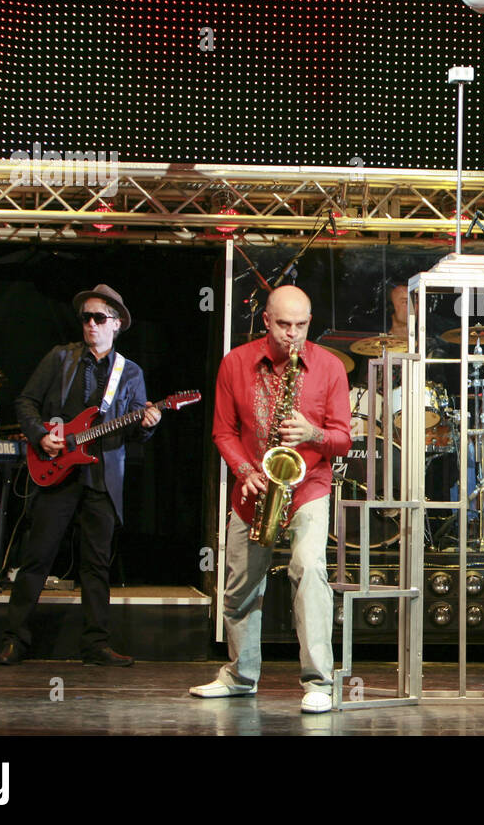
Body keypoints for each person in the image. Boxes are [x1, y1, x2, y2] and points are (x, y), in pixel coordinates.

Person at [190, 285, 351, 714]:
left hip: (309, 487)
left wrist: (312, 433)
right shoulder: (235, 363)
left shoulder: (331, 367)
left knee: (310, 568)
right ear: (265, 320)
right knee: (240, 585)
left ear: (309, 323)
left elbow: (343, 439)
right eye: (283, 325)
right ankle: (240, 676)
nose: (291, 335)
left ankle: (319, 681)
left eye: (300, 326)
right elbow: (223, 432)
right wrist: (245, 471)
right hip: (254, 489)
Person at [0, 285, 161, 666]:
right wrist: (40, 435)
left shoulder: (130, 372)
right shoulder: (61, 358)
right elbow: (25, 401)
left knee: (96, 564)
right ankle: (15, 639)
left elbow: (136, 428)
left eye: (98, 318)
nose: (90, 324)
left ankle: (96, 644)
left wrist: (150, 422)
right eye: (85, 317)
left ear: (116, 324)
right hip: (57, 470)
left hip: (102, 476)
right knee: (37, 556)